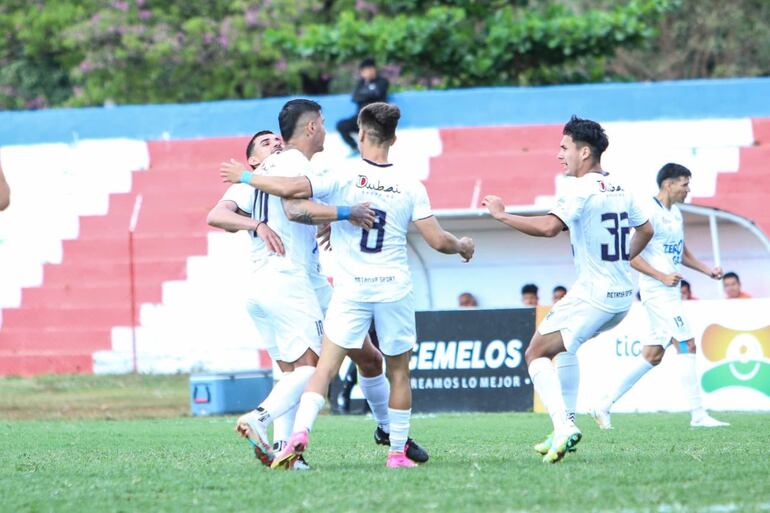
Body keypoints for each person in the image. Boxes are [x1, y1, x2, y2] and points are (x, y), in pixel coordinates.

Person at [226, 102, 474, 469]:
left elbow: (261, 210)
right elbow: (296, 209)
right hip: (299, 281)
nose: (327, 129)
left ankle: (378, 431)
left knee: (364, 359)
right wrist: (344, 214)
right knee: (314, 370)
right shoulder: (300, 164)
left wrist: (312, 220)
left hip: (311, 283)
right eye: (323, 123)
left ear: (361, 134)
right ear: (311, 128)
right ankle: (265, 422)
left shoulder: (309, 171)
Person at [482, 115, 653, 463]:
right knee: (564, 349)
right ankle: (568, 423)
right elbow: (646, 230)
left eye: (564, 148)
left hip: (594, 294)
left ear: (584, 151)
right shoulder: (622, 187)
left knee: (534, 353)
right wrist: (622, 259)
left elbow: (548, 228)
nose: (559, 154)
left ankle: (562, 426)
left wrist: (501, 215)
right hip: (620, 299)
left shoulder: (579, 188)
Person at [208, 128, 377, 469]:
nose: (276, 144)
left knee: (294, 375)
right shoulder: (252, 182)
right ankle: (259, 417)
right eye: (265, 143)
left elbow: (302, 208)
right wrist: (256, 225)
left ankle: (288, 455)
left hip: (272, 286)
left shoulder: (281, 177)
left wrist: (324, 219)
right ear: (253, 160)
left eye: (277, 140)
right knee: (313, 370)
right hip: (285, 282)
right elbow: (216, 216)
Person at [590, 163, 728, 429]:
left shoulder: (675, 214)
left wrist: (707, 271)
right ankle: (698, 415)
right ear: (668, 184)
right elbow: (630, 255)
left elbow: (682, 252)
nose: (688, 189)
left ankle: (603, 403)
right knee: (686, 343)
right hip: (657, 292)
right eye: (685, 184)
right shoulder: (648, 212)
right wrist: (661, 276)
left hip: (671, 292)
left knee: (653, 354)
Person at [337, 58, 389, 153]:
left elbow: (377, 93)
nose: (368, 72)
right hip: (360, 118)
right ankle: (354, 148)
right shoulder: (360, 83)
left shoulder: (382, 81)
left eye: (370, 69)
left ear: (374, 69)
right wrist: (368, 93)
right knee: (341, 125)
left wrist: (364, 94)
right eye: (365, 70)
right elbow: (354, 97)